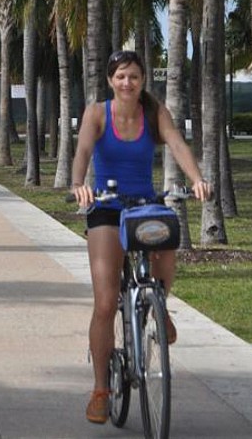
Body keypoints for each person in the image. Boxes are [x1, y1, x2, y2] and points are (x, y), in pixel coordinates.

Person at [71, 50, 211, 424]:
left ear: (143, 79)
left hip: (144, 204)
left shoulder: (154, 112)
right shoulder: (97, 113)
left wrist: (196, 179)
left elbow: (177, 144)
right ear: (110, 81)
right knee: (104, 303)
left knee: (167, 234)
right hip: (106, 205)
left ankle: (159, 305)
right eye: (120, 77)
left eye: (133, 76)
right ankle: (101, 389)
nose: (127, 83)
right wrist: (78, 185)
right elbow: (83, 150)